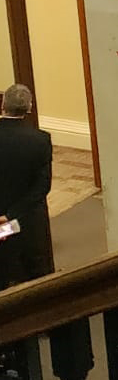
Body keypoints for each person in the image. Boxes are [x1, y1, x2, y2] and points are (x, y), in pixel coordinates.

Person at [0, 84, 53, 291]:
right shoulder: (40, 140)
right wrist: (10, 215)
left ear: (3, 105)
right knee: (35, 276)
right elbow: (42, 186)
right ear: (29, 107)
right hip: (27, 220)